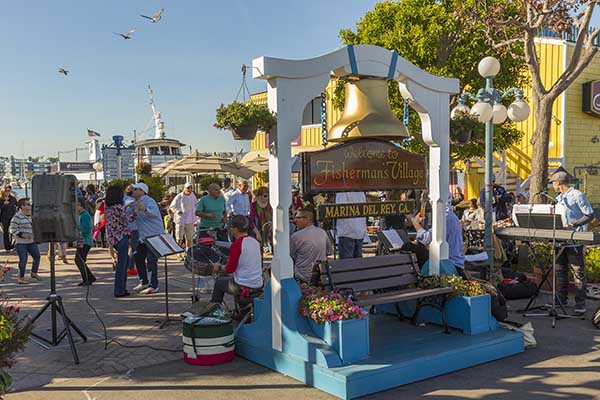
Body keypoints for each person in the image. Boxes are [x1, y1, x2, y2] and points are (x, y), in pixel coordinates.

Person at [551, 168, 595, 315]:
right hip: (560, 239)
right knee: (560, 270)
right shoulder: (558, 198)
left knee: (577, 273)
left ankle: (580, 304)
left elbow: (589, 214)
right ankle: (561, 299)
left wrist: (575, 224)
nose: (552, 186)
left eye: (553, 183)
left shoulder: (577, 195)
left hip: (575, 239)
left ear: (558, 183)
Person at [210, 215, 263, 304]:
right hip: (258, 283)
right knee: (233, 278)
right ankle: (239, 310)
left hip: (244, 285)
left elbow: (230, 269)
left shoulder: (237, 245)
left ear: (235, 229)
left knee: (219, 283)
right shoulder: (255, 242)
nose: (230, 230)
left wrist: (218, 267)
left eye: (231, 228)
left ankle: (214, 311)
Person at [412, 202, 466, 276]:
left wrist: (416, 223)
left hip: (448, 264)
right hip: (454, 262)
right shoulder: (451, 216)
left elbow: (426, 239)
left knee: (409, 247)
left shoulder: (445, 218)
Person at [132, 182, 164, 295]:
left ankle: (153, 285)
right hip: (143, 236)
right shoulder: (135, 202)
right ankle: (144, 281)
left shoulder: (149, 201)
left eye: (136, 189)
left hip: (153, 234)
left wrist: (144, 209)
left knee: (151, 260)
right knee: (138, 257)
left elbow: (154, 214)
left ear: (142, 191)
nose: (133, 191)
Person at [290, 208, 332, 283]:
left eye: (298, 218)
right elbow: (329, 252)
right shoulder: (322, 232)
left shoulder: (296, 236)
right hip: (321, 276)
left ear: (307, 219)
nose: (295, 220)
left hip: (302, 277)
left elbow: (289, 256)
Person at [104, 185, 131, 297]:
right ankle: (120, 290)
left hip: (113, 238)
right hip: (121, 237)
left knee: (124, 263)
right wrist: (136, 211)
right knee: (122, 265)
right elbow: (128, 219)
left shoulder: (107, 207)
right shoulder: (118, 207)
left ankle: (121, 288)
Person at [9, 198, 40, 284]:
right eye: (28, 204)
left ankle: (34, 272)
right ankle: (20, 277)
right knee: (23, 260)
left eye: (29, 204)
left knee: (37, 257)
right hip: (21, 243)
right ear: (22, 206)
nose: (30, 206)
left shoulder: (32, 215)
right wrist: (21, 234)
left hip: (32, 241)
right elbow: (11, 229)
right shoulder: (17, 217)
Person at [335, 192, 367, 259]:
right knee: (357, 264)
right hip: (359, 231)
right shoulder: (360, 191)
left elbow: (341, 210)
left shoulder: (342, 191)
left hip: (347, 232)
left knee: (346, 265)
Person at [169, 183, 198, 252]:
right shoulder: (179, 196)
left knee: (189, 237)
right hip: (180, 220)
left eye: (190, 188)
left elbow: (196, 204)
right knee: (179, 238)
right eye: (187, 188)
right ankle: (179, 252)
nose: (189, 189)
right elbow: (172, 206)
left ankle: (189, 252)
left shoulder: (193, 196)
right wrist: (177, 211)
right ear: (184, 188)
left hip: (190, 220)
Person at [75, 198, 96, 286]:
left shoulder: (84, 215)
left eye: (77, 205)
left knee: (80, 260)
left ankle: (88, 278)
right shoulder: (80, 215)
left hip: (85, 241)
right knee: (79, 260)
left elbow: (86, 229)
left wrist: (79, 236)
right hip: (81, 241)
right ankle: (87, 278)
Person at [123, 185, 139, 276]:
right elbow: (135, 216)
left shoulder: (122, 200)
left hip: (124, 228)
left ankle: (124, 265)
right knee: (133, 248)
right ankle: (130, 266)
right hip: (133, 227)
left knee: (124, 248)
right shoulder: (133, 202)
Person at [0, 185, 17, 253]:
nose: (7, 192)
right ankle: (7, 247)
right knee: (6, 232)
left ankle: (12, 246)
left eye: (9, 191)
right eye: (6, 191)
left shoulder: (12, 198)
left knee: (13, 232)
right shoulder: (1, 199)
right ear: (3, 191)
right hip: (3, 218)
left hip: (12, 217)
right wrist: (3, 204)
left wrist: (16, 196)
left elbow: (17, 204)